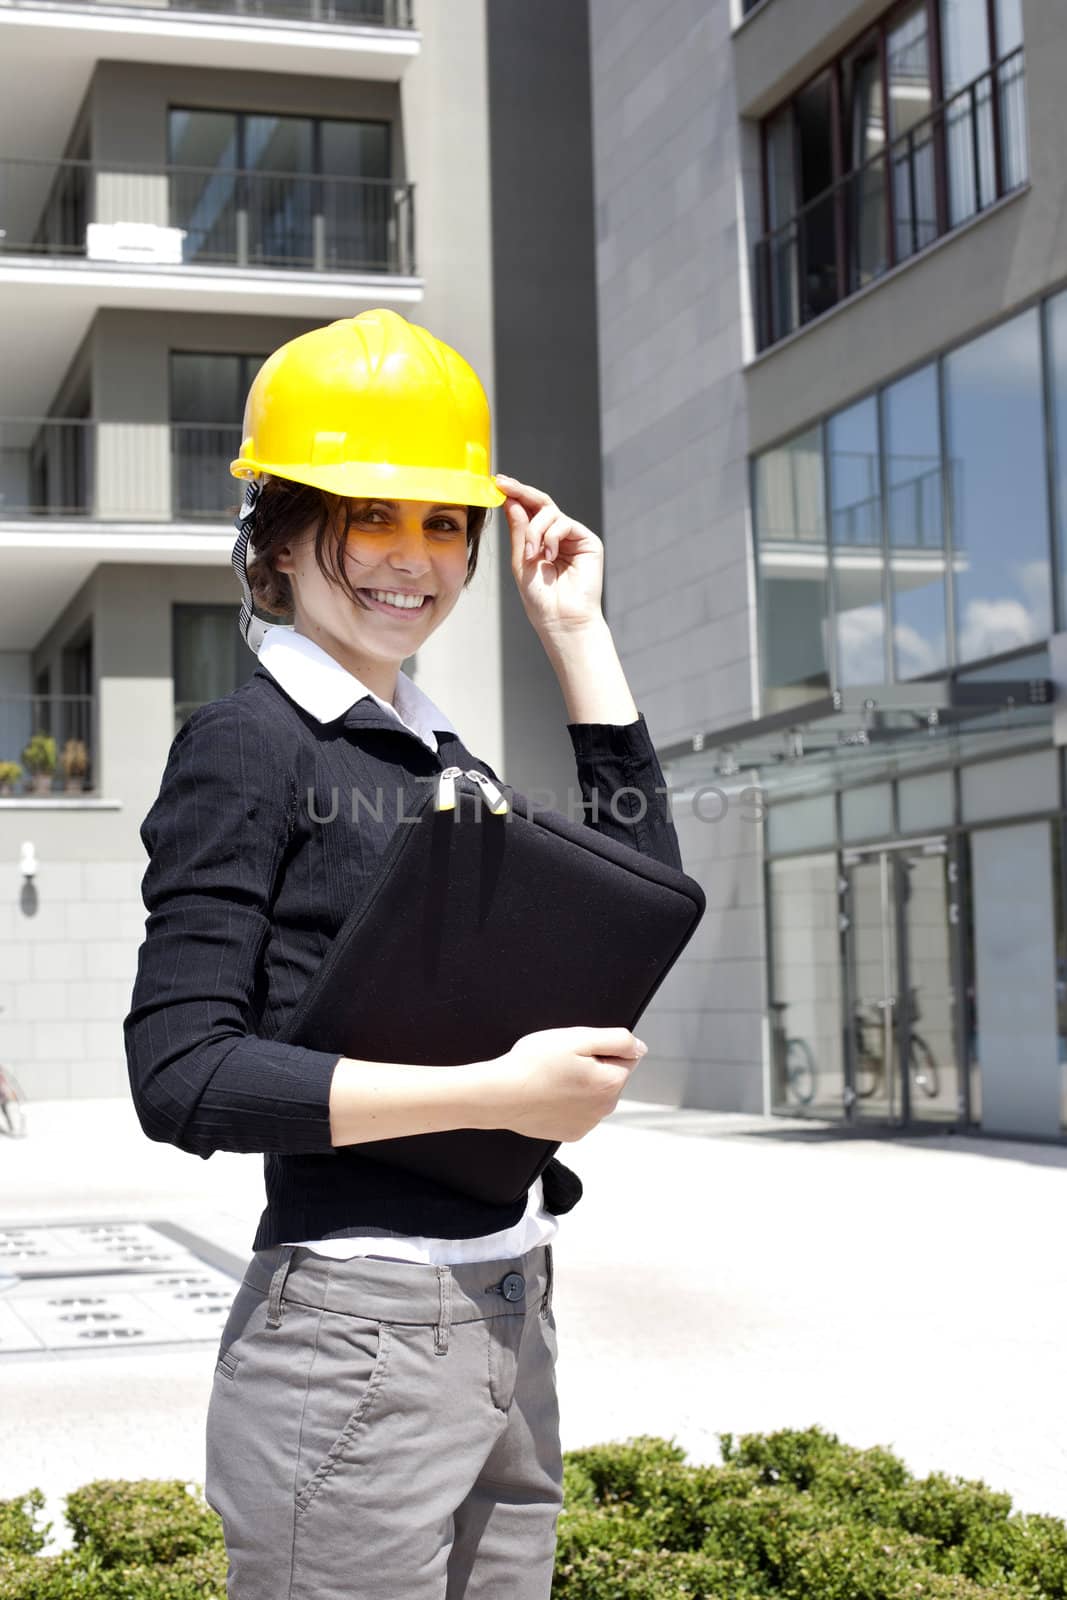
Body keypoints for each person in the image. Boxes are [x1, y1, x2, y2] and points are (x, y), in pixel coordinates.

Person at [123, 307, 683, 1600]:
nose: (410, 559)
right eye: (367, 514)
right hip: (351, 1338)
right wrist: (500, 1097)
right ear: (272, 532)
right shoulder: (247, 745)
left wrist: (575, 634)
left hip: (509, 1311)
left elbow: (644, 892)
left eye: (443, 523)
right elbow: (184, 1075)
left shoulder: (434, 754)